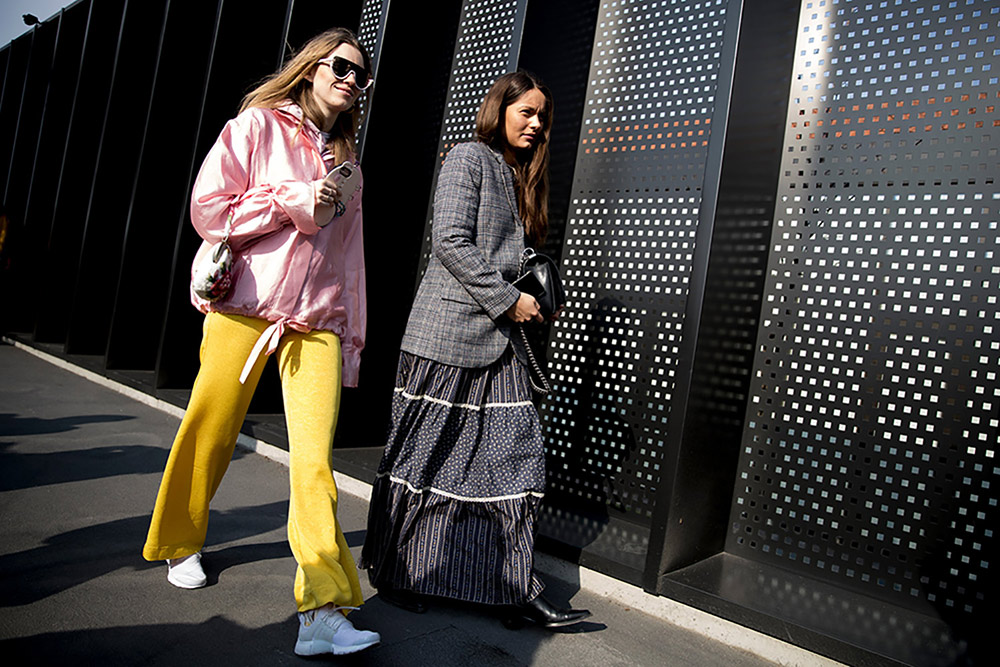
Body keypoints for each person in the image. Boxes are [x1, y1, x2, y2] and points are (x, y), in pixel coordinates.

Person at [142, 28, 380, 657]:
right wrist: (294, 200)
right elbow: (209, 211)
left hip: (317, 321)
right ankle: (181, 541)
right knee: (211, 428)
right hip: (245, 307)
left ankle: (321, 611)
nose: (351, 80)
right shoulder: (254, 127)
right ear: (310, 69)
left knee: (314, 463)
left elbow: (348, 258)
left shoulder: (348, 163)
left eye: (361, 74)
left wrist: (350, 335)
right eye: (341, 67)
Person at [360, 71, 590, 628]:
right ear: (501, 109)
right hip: (446, 332)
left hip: (502, 343)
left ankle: (513, 588)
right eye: (527, 112)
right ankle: (396, 572)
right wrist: (510, 301)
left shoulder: (525, 176)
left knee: (515, 458)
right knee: (424, 458)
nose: (536, 124)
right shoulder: (468, 157)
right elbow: (450, 242)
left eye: (543, 117)